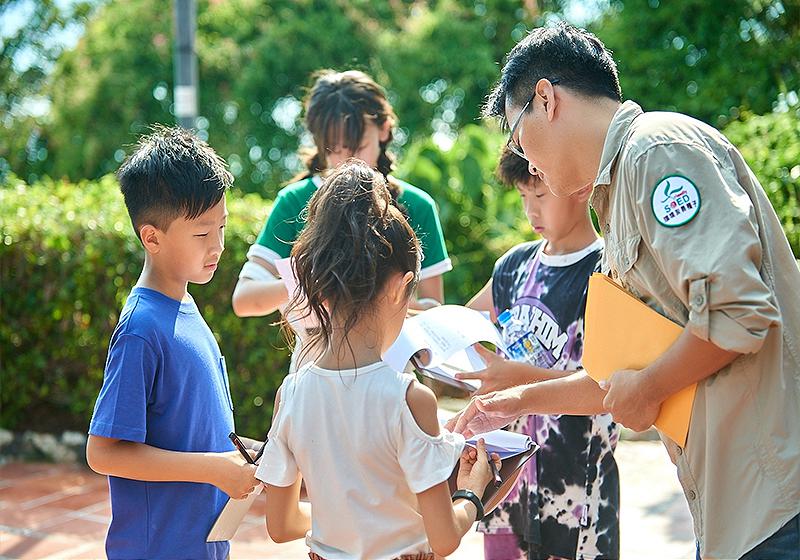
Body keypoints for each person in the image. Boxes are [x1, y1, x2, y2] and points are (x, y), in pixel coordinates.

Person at [450, 23, 800, 560]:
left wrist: (647, 387)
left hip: (774, 500)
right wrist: (513, 402)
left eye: (519, 137)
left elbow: (737, 313)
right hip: (736, 509)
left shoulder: (654, 153)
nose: (527, 160)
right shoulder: (616, 195)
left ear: (547, 99)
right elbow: (623, 378)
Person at [255, 159, 500, 560]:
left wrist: (347, 523)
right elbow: (443, 539)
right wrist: (473, 493)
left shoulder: (291, 392)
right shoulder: (410, 399)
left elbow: (280, 527)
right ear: (400, 286)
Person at [86, 126, 259, 560]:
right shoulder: (142, 328)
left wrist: (239, 454)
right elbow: (103, 451)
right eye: (202, 234)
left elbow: (191, 426)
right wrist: (213, 469)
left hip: (201, 543)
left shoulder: (186, 304)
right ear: (152, 237)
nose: (218, 244)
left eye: (221, 227)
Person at [463, 148, 618, 560]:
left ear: (581, 188)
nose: (531, 210)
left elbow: (608, 384)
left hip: (577, 486)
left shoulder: (607, 269)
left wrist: (516, 377)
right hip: (504, 481)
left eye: (541, 195)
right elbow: (462, 324)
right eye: (522, 197)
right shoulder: (513, 266)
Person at [232, 69, 451, 325]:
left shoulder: (417, 205)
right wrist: (313, 284)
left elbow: (435, 311)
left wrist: (374, 298)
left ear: (384, 129)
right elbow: (244, 299)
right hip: (314, 361)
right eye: (336, 150)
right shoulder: (294, 201)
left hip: (394, 362)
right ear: (319, 142)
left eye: (359, 147)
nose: (349, 162)